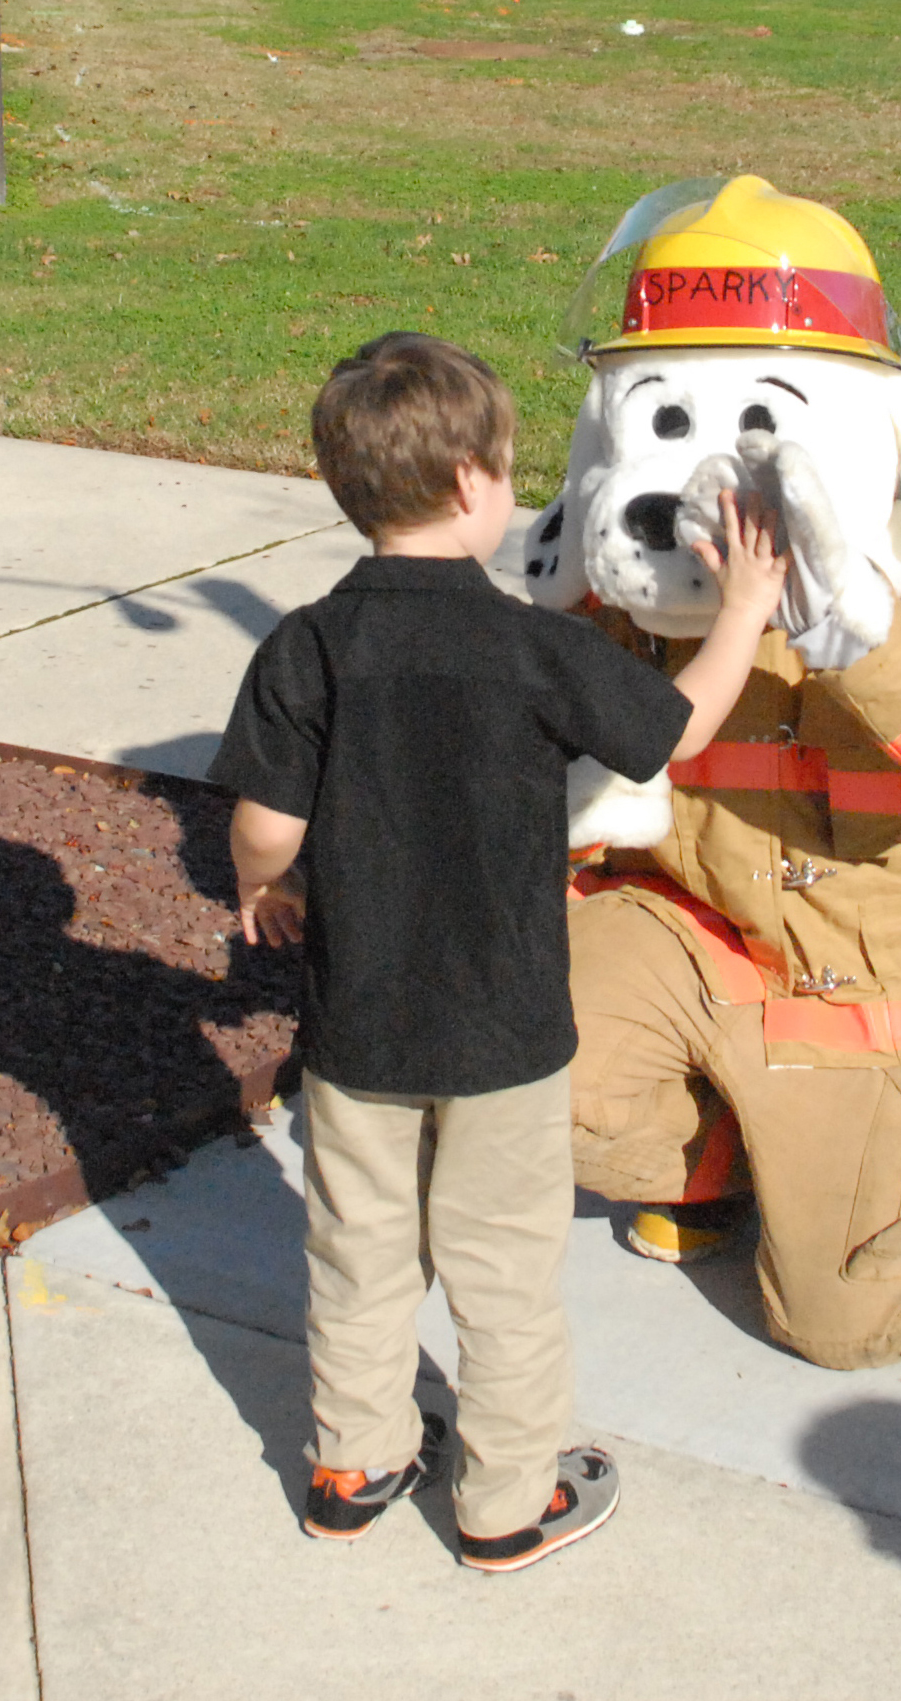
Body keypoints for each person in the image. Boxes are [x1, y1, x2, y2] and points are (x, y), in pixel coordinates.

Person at [208, 331, 788, 1570]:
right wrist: (741, 607)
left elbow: (262, 825)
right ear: (475, 481)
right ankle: (506, 1503)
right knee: (504, 1273)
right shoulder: (532, 647)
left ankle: (352, 1465)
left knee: (357, 1250)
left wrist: (269, 890)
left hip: (358, 1035)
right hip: (507, 1037)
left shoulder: (305, 647)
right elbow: (673, 734)